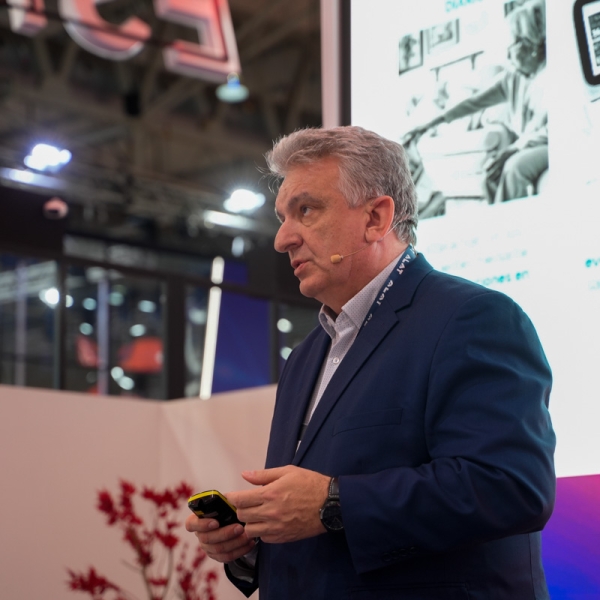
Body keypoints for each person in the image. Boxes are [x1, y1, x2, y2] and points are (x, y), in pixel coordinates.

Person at [186, 125, 555, 599]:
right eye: (282, 217)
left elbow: (510, 486)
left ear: (377, 218)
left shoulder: (473, 318)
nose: (282, 239)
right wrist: (253, 542)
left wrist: (332, 502)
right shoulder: (305, 357)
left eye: (306, 210)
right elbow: (316, 523)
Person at [404, 0, 548, 204]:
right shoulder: (512, 79)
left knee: (512, 168)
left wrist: (515, 148)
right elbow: (472, 103)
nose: (507, 55)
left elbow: (550, 130)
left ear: (530, 45)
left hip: (547, 142)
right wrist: (429, 124)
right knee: (489, 174)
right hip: (526, 144)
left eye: (512, 46)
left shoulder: (551, 74)